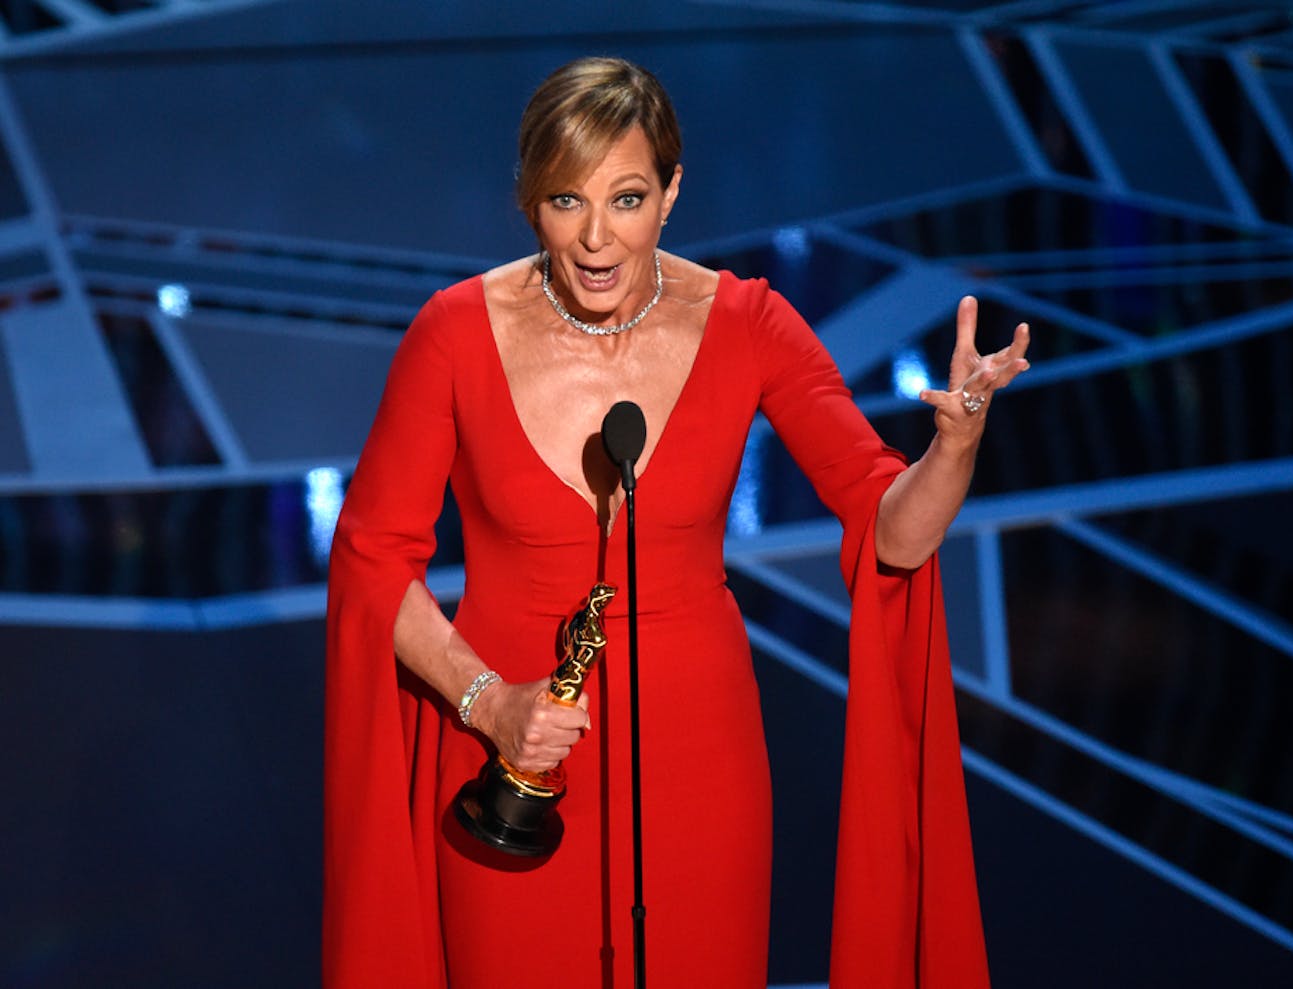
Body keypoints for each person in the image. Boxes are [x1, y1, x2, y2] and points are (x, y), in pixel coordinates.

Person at [324, 56, 1029, 989]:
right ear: (530, 203)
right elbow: (373, 559)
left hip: (701, 763)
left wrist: (954, 449)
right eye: (565, 202)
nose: (597, 238)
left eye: (626, 198)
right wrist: (490, 703)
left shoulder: (748, 322)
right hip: (516, 753)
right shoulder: (453, 334)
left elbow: (892, 530)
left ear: (671, 191)